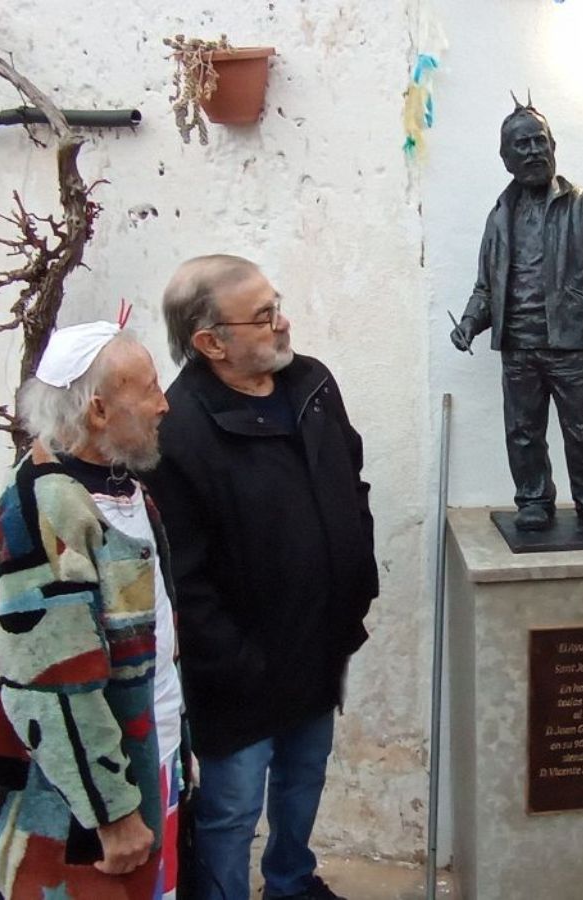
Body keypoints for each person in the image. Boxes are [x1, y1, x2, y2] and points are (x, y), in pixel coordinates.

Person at [147, 255, 378, 900]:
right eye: (265, 315)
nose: (284, 322)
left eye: (277, 304)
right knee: (232, 808)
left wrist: (355, 589)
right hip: (239, 670)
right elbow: (181, 576)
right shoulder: (179, 429)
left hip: (319, 640)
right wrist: (239, 660)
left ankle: (291, 882)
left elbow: (350, 481)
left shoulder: (311, 384)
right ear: (210, 342)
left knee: (305, 780)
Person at [0, 323, 184, 899]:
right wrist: (111, 814)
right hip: (81, 811)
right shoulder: (48, 510)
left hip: (148, 758)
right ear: (97, 410)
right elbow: (51, 685)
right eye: (150, 389)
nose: (164, 404)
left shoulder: (122, 487)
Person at [449, 98, 583, 533]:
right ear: (506, 159)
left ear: (554, 146)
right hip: (518, 346)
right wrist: (469, 323)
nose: (533, 151)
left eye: (540, 141)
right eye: (522, 145)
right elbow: (486, 285)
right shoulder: (499, 217)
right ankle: (533, 499)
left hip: (570, 343)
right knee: (522, 431)